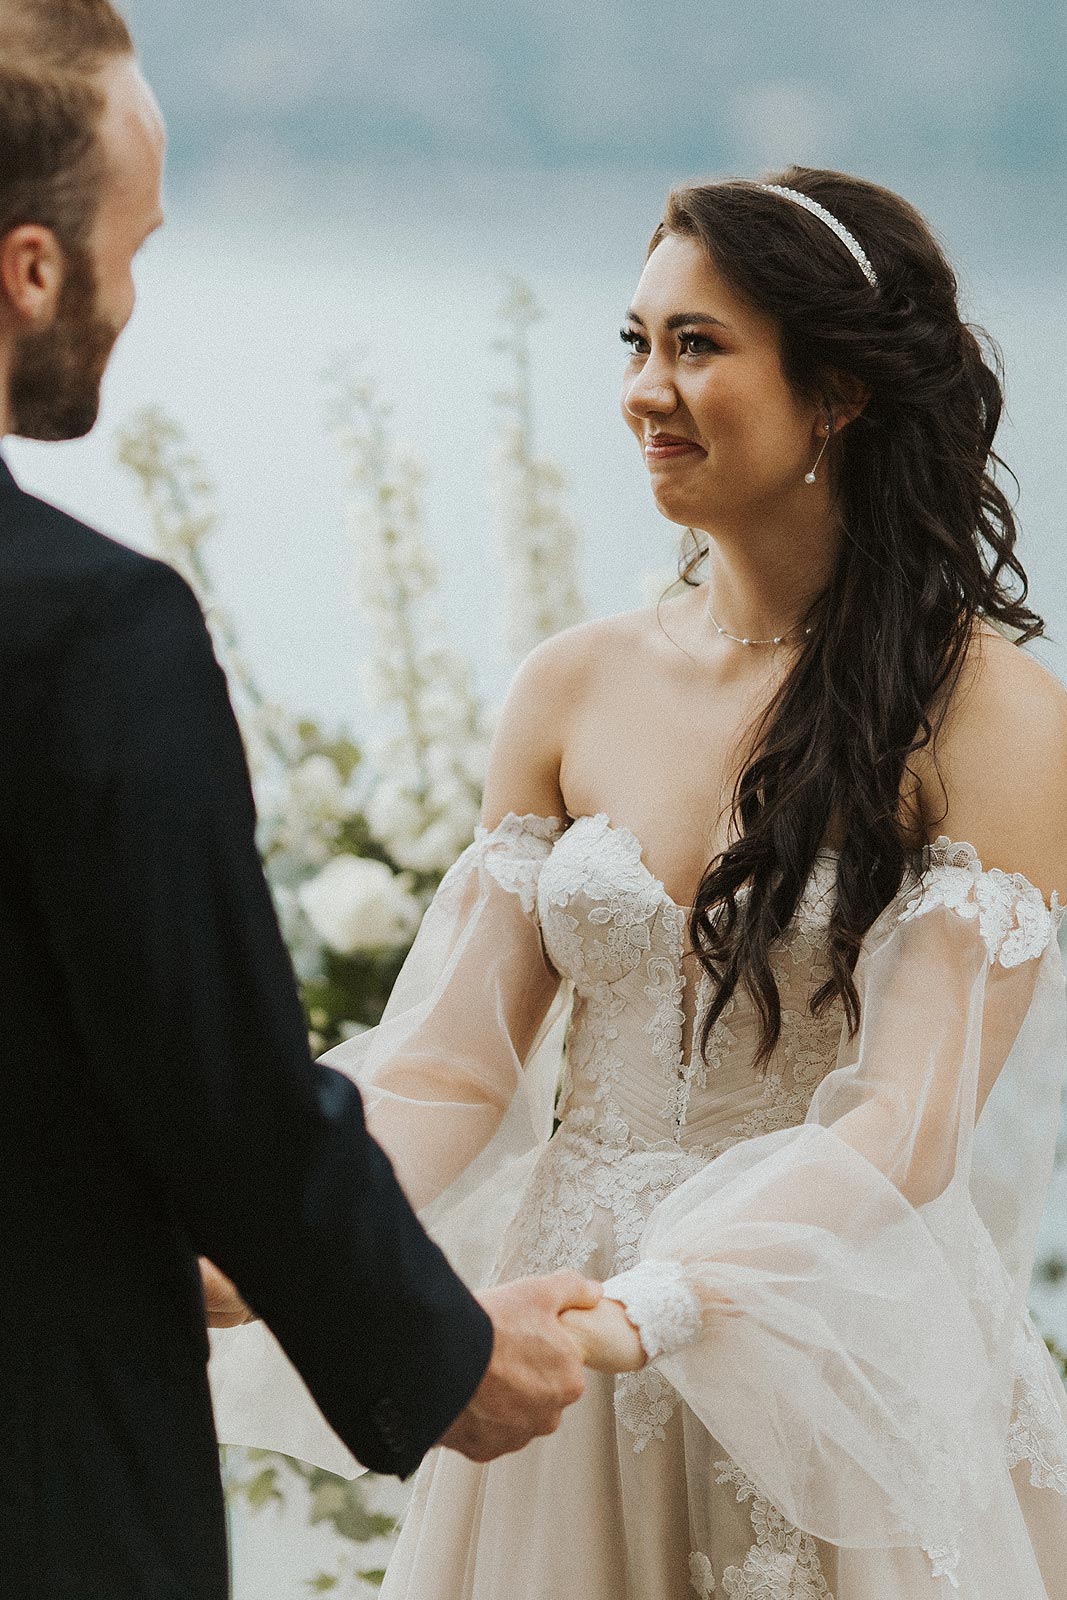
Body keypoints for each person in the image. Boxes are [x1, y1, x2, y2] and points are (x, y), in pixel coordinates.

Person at [211, 166, 1067, 1598]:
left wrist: (652, 1307)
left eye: (699, 344)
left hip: (818, 1342)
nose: (645, 389)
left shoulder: (993, 711)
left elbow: (907, 1124)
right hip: (558, 1363)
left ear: (839, 389)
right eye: (636, 340)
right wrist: (276, 1236)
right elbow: (444, 1069)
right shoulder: (571, 685)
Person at [0, 5, 598, 1596]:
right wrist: (450, 1358)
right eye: (134, 244)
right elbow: (221, 1091)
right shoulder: (82, 630)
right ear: (32, 270)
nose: (135, 291)